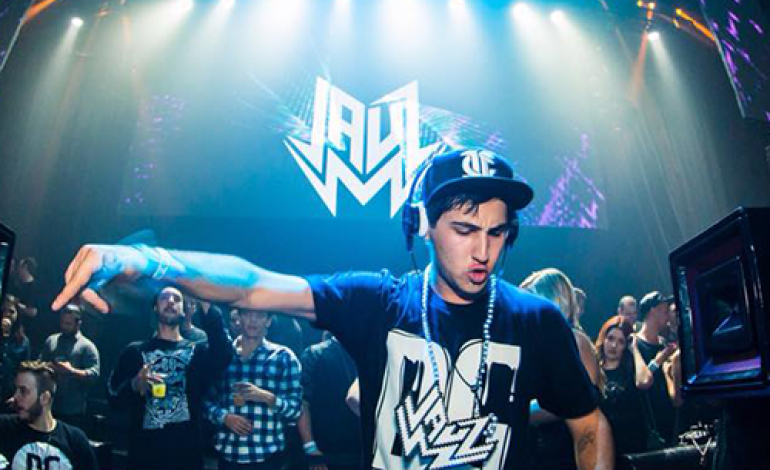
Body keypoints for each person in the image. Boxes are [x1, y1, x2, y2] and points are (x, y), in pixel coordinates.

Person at [52, 148, 613, 469]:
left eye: (497, 232)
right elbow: (252, 286)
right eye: (464, 229)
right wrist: (147, 259)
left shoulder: (536, 320)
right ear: (422, 225)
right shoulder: (379, 302)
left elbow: (588, 424)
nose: (484, 251)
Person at [106, 286, 231, 470]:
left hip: (186, 457)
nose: (171, 301)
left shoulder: (198, 352)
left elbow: (224, 353)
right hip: (144, 457)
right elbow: (113, 398)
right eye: (165, 297)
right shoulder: (134, 351)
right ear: (155, 307)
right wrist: (134, 385)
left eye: (177, 299)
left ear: (184, 310)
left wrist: (207, 306)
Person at [519, 268, 603, 470]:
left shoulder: (575, 340)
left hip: (566, 450)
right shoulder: (542, 344)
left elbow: (580, 402)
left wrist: (516, 410)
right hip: (542, 450)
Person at [205, 309, 302, 469]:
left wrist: (267, 397)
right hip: (228, 454)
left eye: (260, 316)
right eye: (247, 314)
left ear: (268, 321)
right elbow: (203, 401)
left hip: (268, 457)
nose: (253, 320)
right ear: (239, 318)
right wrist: (224, 417)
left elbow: (295, 410)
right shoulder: (223, 355)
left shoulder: (283, 357)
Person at [0, 361, 98, 470]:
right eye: (16, 390)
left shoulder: (75, 441)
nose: (15, 397)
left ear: (44, 398)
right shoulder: (4, 428)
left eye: (23, 391)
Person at [298, 333, 361, 470]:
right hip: (325, 452)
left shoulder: (370, 354)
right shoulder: (315, 354)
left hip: (363, 451)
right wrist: (310, 446)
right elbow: (303, 402)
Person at [595, 316, 652, 455]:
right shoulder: (594, 369)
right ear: (603, 339)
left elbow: (645, 382)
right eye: (610, 338)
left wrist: (635, 349)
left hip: (632, 447)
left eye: (620, 341)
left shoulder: (631, 369)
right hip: (603, 446)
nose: (613, 345)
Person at [38, 303, 100, 430]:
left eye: (68, 324)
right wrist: (48, 367)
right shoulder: (51, 341)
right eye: (62, 323)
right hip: (50, 405)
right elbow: (40, 363)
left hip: (73, 409)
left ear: (78, 324)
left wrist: (71, 371)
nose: (64, 327)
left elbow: (94, 374)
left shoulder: (87, 347)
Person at [634, 291, 682, 446]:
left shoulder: (664, 344)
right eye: (665, 310)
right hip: (650, 424)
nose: (668, 315)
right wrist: (660, 360)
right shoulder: (635, 344)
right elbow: (639, 382)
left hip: (670, 419)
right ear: (653, 310)